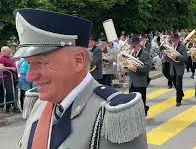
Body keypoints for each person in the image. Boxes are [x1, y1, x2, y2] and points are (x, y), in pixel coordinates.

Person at [16, 9, 147, 149]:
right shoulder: (39, 103)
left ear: (78, 61)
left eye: (41, 63)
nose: (30, 76)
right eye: (29, 63)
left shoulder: (114, 116)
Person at [127, 35, 152, 116]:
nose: (131, 47)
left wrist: (136, 68)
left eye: (132, 45)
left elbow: (147, 68)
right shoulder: (131, 53)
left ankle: (143, 111)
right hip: (132, 82)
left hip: (140, 82)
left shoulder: (145, 54)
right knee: (132, 102)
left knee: (140, 102)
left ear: (137, 44)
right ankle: (140, 112)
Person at [163, 32, 187, 106]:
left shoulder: (182, 47)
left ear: (179, 40)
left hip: (179, 67)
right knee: (174, 83)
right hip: (172, 68)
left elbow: (185, 58)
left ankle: (178, 100)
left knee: (178, 84)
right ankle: (181, 93)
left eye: (175, 40)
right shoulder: (170, 46)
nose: (174, 42)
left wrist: (176, 57)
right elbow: (166, 58)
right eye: (173, 40)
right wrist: (166, 55)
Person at [0, 46, 17, 112]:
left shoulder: (9, 57)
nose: (10, 52)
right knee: (10, 92)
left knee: (11, 92)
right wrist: (11, 68)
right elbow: (1, 68)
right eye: (8, 51)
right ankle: (9, 106)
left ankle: (10, 106)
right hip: (6, 78)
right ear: (4, 52)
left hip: (11, 77)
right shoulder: (1, 58)